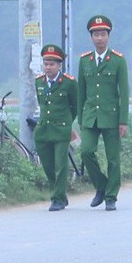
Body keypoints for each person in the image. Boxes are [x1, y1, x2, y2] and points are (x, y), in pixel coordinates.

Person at [77, 15, 130, 211]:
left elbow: (124, 93)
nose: (99, 38)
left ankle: (110, 196)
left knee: (113, 158)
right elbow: (81, 92)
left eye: (103, 34)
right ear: (91, 37)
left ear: (108, 36)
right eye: (96, 34)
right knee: (86, 151)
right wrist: (81, 119)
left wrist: (123, 121)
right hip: (90, 116)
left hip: (112, 117)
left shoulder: (117, 60)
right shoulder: (85, 61)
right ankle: (101, 185)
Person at [34, 44, 80, 212]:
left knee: (61, 165)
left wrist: (67, 122)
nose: (48, 67)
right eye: (46, 63)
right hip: (43, 130)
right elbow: (42, 103)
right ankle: (60, 194)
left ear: (59, 65)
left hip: (61, 130)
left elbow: (75, 106)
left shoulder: (69, 83)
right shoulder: (39, 81)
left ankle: (57, 199)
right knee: (48, 165)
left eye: (52, 64)